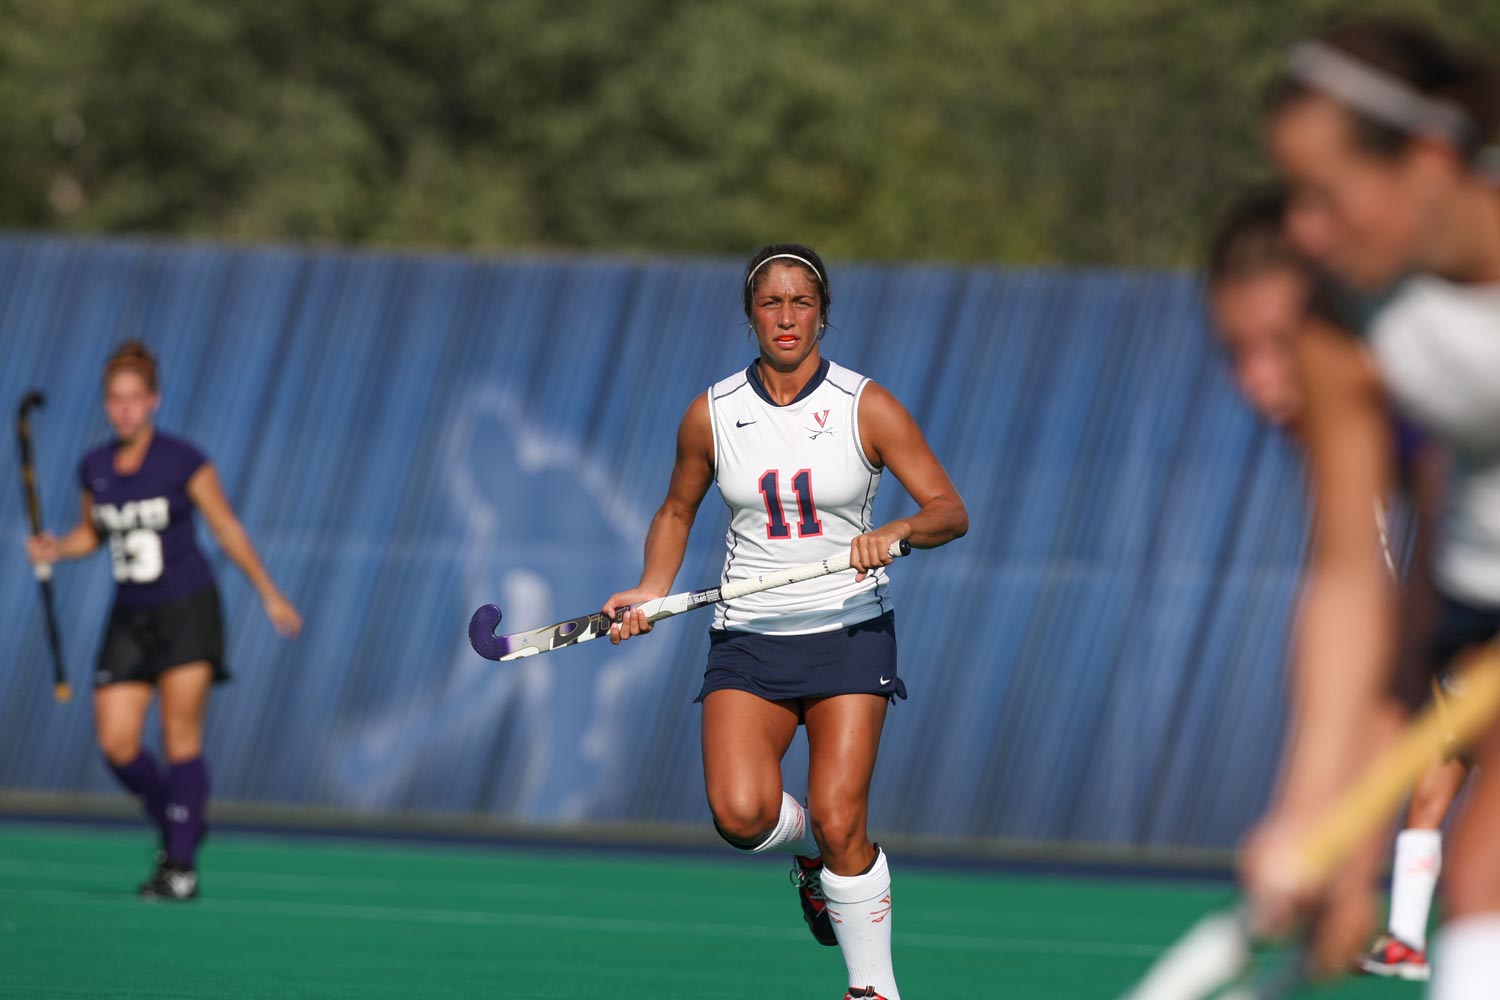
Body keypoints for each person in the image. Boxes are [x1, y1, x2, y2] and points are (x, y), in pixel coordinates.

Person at [603, 244, 967, 1000]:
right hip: (748, 638)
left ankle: (872, 990)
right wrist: (649, 588)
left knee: (842, 820)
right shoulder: (712, 413)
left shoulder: (866, 405)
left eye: (802, 301)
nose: (787, 316)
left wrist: (896, 531)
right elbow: (677, 509)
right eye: (771, 302)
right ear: (750, 317)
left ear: (823, 314)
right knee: (741, 815)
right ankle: (814, 867)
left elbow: (948, 511)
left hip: (848, 634)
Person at [1245, 16, 1500, 996]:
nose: (1305, 231)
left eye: (1327, 195)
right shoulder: (1344, 320)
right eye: (1291, 197)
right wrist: (1309, 812)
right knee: (1482, 878)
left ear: (1429, 162)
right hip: (1474, 597)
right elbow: (1352, 575)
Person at [1206, 187, 1468, 981]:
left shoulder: (1447, 365)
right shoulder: (1351, 408)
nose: (1258, 383)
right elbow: (1356, 600)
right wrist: (1309, 824)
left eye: (1279, 345)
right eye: (1234, 353)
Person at [24, 341, 302, 900]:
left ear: (153, 401)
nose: (125, 409)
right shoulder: (94, 468)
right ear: (106, 405)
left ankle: (179, 865)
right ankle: (180, 823)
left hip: (187, 610)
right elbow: (92, 534)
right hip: (130, 616)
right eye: (115, 400)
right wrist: (55, 547)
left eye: (134, 399)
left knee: (180, 737)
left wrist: (269, 593)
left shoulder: (183, 460)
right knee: (118, 744)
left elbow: (225, 527)